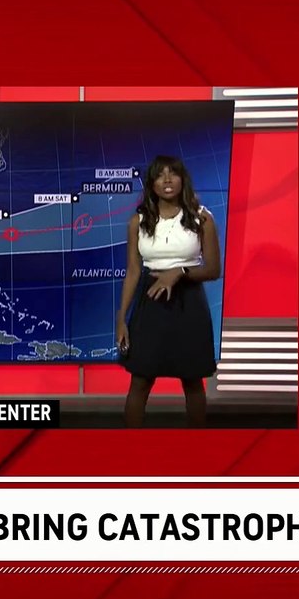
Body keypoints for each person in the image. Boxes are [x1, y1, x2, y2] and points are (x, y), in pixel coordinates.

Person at [116, 155, 221, 427]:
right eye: (160, 175)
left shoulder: (202, 218)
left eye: (172, 173)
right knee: (140, 379)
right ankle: (129, 448)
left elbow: (213, 270)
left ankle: (197, 448)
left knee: (192, 380)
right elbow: (133, 271)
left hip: (189, 303)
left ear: (182, 180)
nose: (166, 179)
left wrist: (179, 272)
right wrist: (121, 319)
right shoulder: (138, 221)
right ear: (151, 183)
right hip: (150, 302)